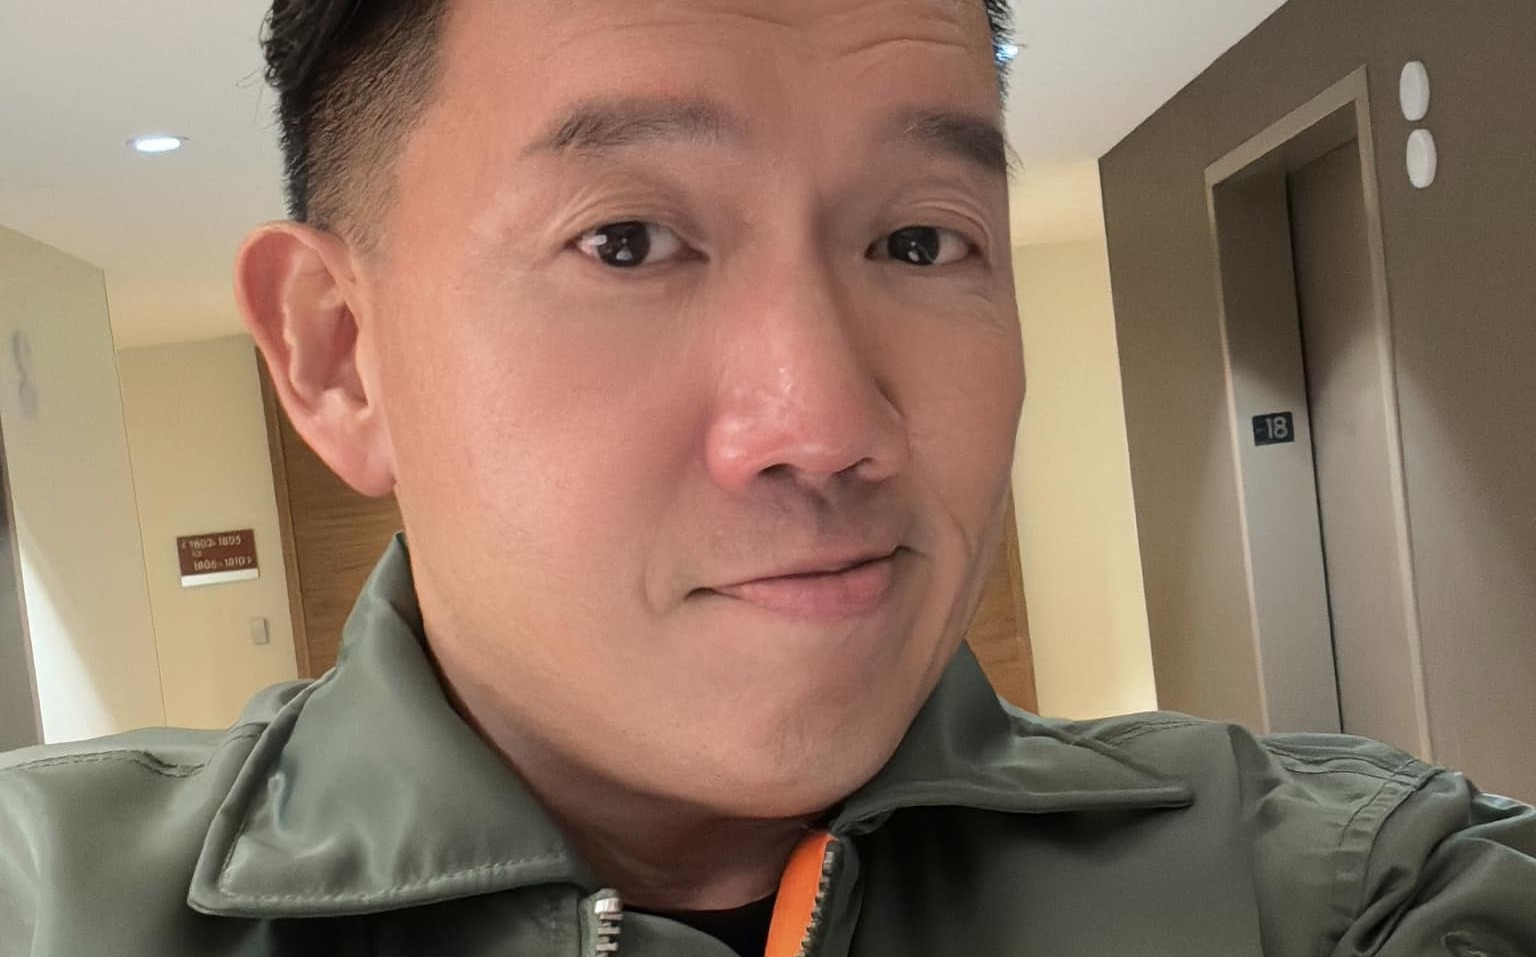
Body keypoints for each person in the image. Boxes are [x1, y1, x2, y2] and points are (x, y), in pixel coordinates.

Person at [3, 0, 1534, 953]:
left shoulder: (1344, 890)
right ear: (342, 355)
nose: (825, 422)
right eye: (626, 242)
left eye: (919, 239)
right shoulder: (52, 905)